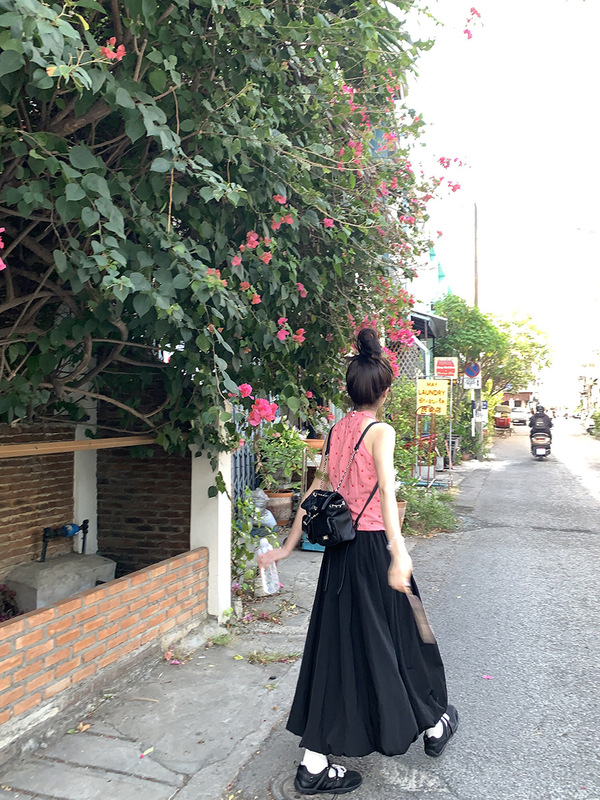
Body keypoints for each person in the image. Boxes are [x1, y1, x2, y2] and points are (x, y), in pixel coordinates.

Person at [258, 328, 458, 795]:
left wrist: (286, 547)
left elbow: (315, 491)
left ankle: (315, 761)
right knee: (404, 639)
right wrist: (398, 551)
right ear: (384, 392)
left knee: (337, 646)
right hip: (373, 551)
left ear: (350, 390)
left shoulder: (337, 430)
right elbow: (386, 491)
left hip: (339, 555)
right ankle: (432, 725)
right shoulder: (380, 431)